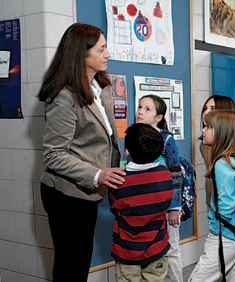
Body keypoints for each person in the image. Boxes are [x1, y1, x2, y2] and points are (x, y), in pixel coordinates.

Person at [37, 23, 125, 282]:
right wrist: (98, 174)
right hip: (66, 194)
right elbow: (54, 155)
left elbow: (102, 138)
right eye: (101, 49)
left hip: (88, 193)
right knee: (70, 268)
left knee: (79, 264)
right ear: (81, 54)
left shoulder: (101, 87)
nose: (107, 54)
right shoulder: (64, 96)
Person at [189, 110, 235, 282]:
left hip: (225, 235)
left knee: (198, 277)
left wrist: (215, 227)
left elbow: (226, 206)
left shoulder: (222, 164)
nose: (203, 130)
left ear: (222, 133)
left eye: (208, 127)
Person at [110, 123, 176, 282]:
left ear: (127, 151)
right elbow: (167, 201)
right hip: (157, 248)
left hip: (127, 251)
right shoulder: (164, 174)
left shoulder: (119, 179)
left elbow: (114, 206)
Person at [136, 94, 183, 282]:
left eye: (147, 109)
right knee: (147, 250)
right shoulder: (134, 136)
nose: (140, 111)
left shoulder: (166, 139)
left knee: (171, 249)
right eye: (140, 107)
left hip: (165, 207)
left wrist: (174, 208)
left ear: (158, 117)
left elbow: (176, 172)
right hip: (144, 207)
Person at [199, 95, 235, 207]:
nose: (205, 113)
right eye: (205, 108)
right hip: (212, 199)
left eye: (212, 109)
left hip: (231, 204)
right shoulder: (204, 143)